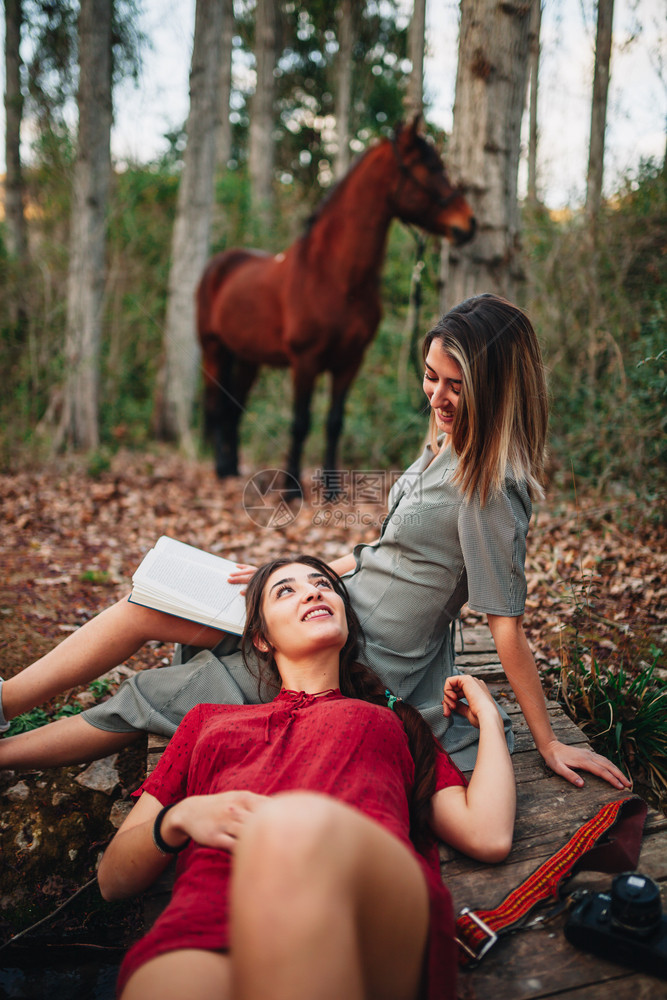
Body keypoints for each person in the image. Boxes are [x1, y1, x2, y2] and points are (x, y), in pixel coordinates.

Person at [0, 294, 630, 790]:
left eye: (456, 385)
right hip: (331, 602)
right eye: (430, 376)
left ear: (495, 389)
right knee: (150, 606)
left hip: (361, 654)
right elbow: (385, 554)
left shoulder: (491, 490)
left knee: (148, 699)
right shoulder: (447, 443)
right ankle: (5, 701)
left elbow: (506, 628)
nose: (436, 395)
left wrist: (546, 742)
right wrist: (295, 570)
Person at [97, 556, 516, 1000]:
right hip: (210, 914)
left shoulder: (395, 722)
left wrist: (487, 717)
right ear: (261, 638)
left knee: (291, 825)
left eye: (322, 584)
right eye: (286, 590)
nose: (314, 591)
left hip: (360, 902)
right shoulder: (205, 722)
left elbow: (486, 835)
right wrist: (179, 818)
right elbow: (112, 880)